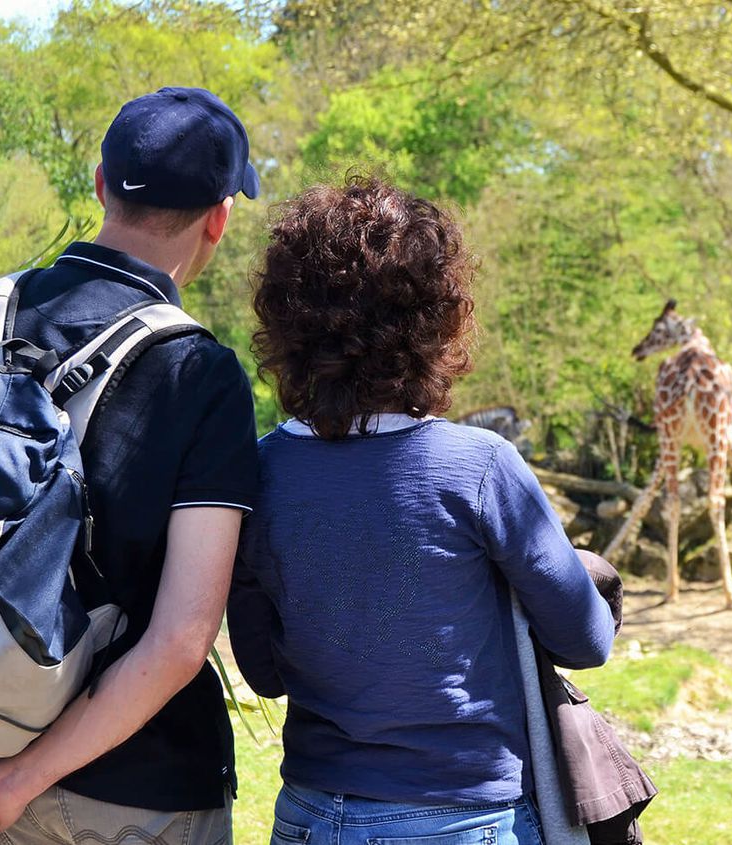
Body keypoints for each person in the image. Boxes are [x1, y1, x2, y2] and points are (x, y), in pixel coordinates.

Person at [0, 87, 263, 844]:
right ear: (219, 219)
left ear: (100, 185)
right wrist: (19, 782)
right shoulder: (199, 373)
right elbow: (180, 640)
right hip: (143, 790)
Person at [228, 176, 616, 845]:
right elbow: (587, 640)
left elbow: (263, 672)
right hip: (461, 817)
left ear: (287, 322)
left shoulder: (255, 475)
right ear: (436, 317)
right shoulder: (481, 467)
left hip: (309, 815)